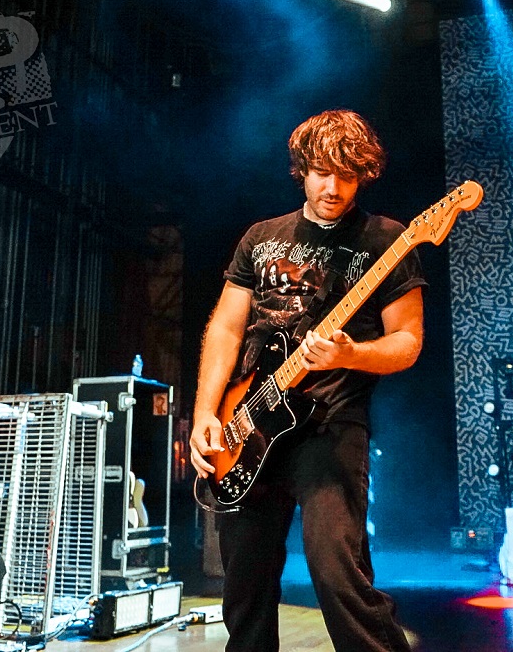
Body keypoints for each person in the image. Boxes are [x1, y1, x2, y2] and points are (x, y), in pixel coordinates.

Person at [189, 109, 425, 652]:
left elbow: (408, 343)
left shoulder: (388, 240)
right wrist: (205, 413)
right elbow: (226, 328)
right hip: (247, 424)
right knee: (244, 588)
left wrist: (352, 353)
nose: (333, 188)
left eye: (347, 176)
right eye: (322, 173)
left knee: (338, 573)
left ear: (364, 175)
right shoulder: (260, 237)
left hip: (330, 426)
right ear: (302, 171)